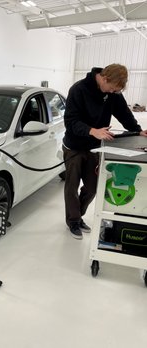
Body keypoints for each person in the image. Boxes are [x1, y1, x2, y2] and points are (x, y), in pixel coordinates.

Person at [62, 64, 147, 240]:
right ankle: (74, 221)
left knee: (93, 187)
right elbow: (70, 121)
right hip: (74, 147)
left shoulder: (113, 93)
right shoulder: (78, 90)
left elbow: (124, 114)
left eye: (116, 91)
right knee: (71, 186)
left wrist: (138, 130)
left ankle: (78, 214)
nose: (112, 92)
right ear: (104, 78)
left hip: (95, 147)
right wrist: (92, 130)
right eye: (111, 88)